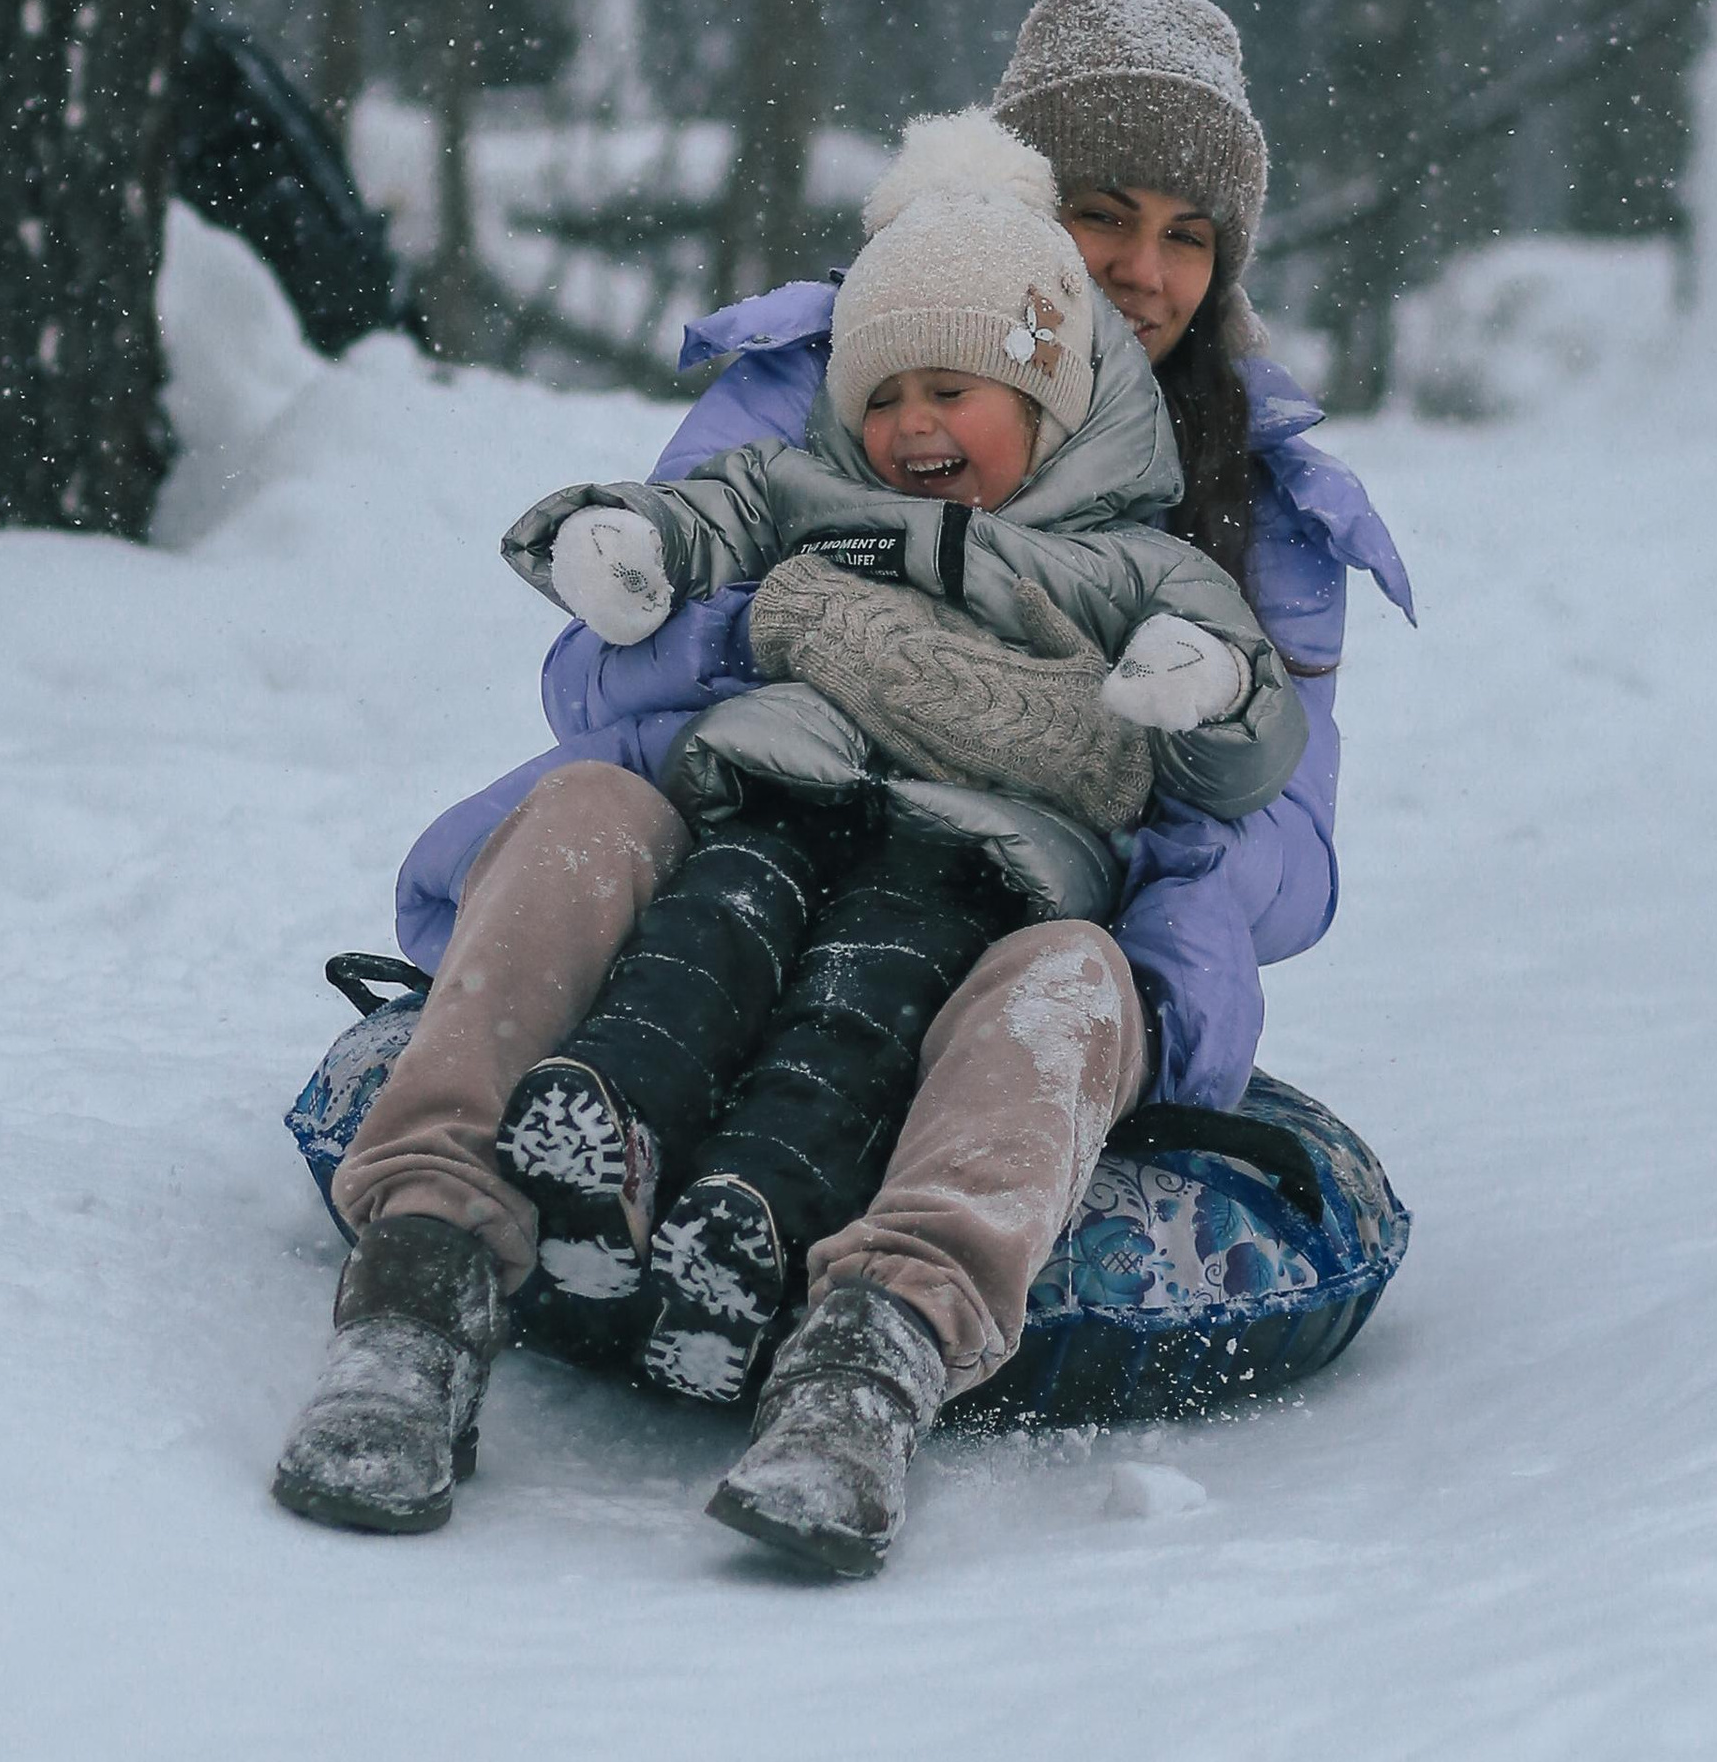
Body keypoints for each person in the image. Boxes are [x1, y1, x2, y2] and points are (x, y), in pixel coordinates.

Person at [270, 0, 1411, 1579]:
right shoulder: (840, 381)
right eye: (1103, 218)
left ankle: (867, 1365)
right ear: (1015, 214)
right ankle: (427, 1274)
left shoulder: (1249, 509)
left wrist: (1136, 974)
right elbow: (621, 684)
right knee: (592, 808)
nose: (1143, 273)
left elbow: (1270, 831)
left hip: (983, 916)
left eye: (1188, 237)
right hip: (744, 851)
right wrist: (829, 681)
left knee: (1074, 974)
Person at [474, 108, 1303, 1417]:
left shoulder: (1130, 558)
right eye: (884, 396)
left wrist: (1202, 686)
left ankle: (745, 1225)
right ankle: (608, 1131)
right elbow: (725, 504)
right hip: (785, 794)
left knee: (853, 1025)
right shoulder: (827, 485)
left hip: (972, 859)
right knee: (703, 943)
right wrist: (621, 542)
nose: (912, 425)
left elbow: (1248, 717)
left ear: (1048, 402)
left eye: (950, 392)